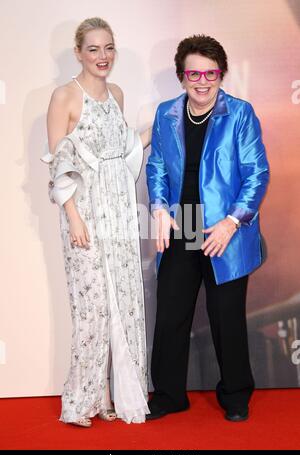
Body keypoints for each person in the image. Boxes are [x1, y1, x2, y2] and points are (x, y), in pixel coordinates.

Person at [146, 34, 269, 422]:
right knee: (170, 316)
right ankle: (168, 395)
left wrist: (232, 222)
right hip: (183, 225)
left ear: (221, 74)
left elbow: (256, 174)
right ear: (182, 76)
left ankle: (234, 394)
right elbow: (157, 167)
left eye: (210, 73)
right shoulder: (166, 113)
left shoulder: (241, 113)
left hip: (225, 229)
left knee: (226, 318)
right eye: (193, 73)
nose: (202, 81)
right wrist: (159, 207)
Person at [41, 17, 151, 427]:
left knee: (121, 301)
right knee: (92, 309)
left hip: (120, 211)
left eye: (108, 48)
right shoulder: (64, 97)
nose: (102, 57)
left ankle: (111, 396)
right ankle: (80, 402)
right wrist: (73, 217)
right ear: (78, 53)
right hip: (84, 214)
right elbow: (59, 162)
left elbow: (121, 156)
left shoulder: (117, 94)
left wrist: (159, 127)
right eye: (93, 49)